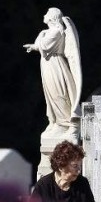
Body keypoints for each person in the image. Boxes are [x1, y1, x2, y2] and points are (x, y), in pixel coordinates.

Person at [23, 7, 80, 137]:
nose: (44, 15)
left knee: (58, 93)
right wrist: (37, 41)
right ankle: (55, 121)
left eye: (47, 13)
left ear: (52, 17)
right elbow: (40, 45)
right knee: (50, 94)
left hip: (55, 65)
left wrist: (39, 38)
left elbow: (43, 46)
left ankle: (64, 123)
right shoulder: (49, 31)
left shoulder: (56, 32)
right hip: (48, 64)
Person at [31, 141, 101, 202]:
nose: (79, 170)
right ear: (61, 166)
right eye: (75, 166)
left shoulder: (82, 183)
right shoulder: (44, 185)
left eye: (80, 166)